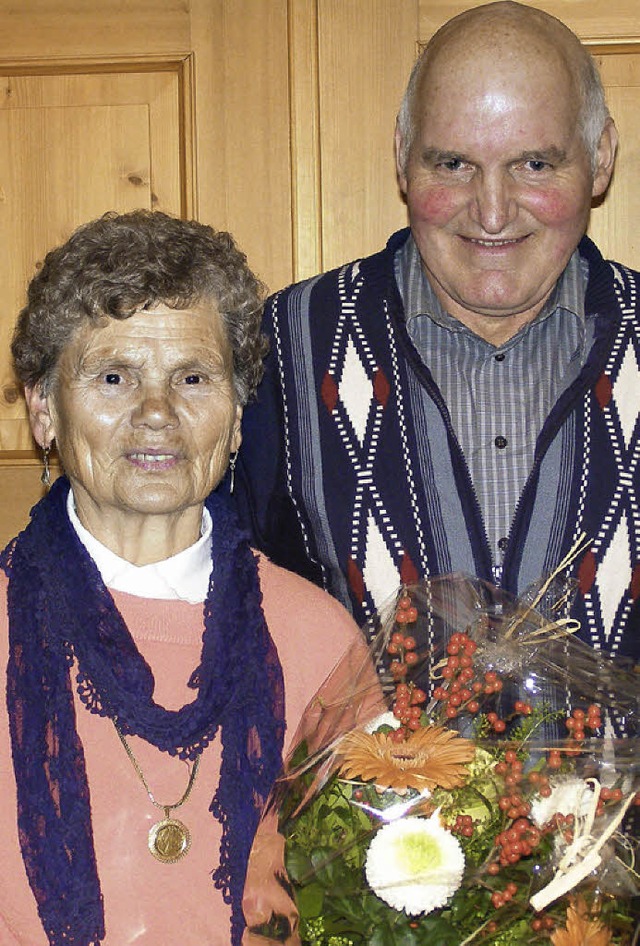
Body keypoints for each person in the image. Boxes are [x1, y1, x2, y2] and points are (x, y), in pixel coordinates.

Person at [0, 210, 368, 946]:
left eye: (193, 378)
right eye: (114, 376)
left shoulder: (318, 639)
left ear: (235, 417)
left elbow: (374, 900)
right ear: (44, 408)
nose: (158, 414)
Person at [235, 0, 639, 664]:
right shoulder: (282, 347)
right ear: (402, 156)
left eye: (534, 164)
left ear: (600, 159)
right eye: (453, 164)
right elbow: (199, 598)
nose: (492, 210)